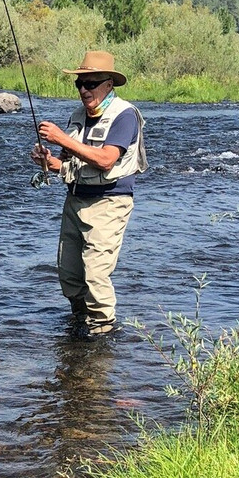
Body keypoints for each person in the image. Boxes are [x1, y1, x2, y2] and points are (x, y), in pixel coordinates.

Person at [30, 50, 147, 340]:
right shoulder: (78, 116)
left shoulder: (124, 115)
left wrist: (60, 138)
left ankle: (103, 336)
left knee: (95, 275)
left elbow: (106, 159)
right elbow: (67, 164)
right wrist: (47, 160)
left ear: (109, 84)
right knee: (69, 276)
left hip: (109, 202)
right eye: (79, 84)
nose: (84, 90)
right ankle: (81, 330)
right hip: (75, 201)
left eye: (91, 83)